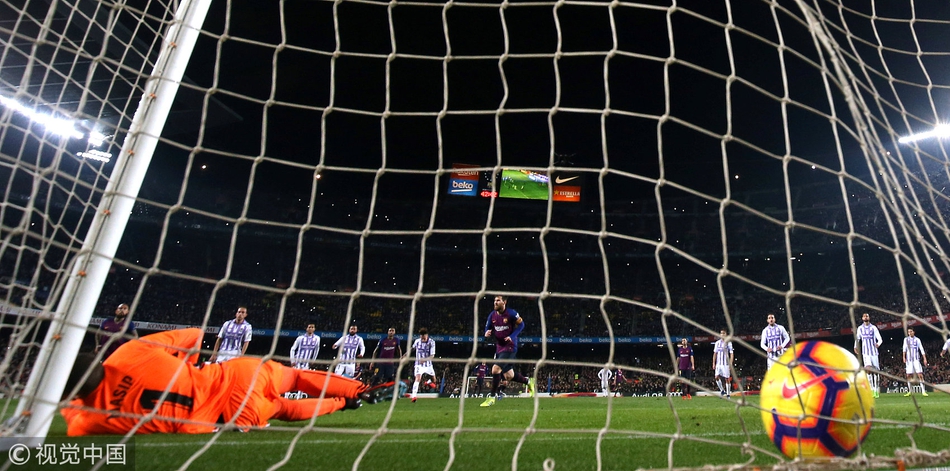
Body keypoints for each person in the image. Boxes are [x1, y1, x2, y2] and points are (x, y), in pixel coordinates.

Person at [60, 328, 396, 436]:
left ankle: (343, 403)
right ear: (97, 359)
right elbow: (194, 334)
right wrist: (189, 367)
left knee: (282, 409)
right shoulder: (131, 351)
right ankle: (360, 389)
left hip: (230, 415)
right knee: (295, 376)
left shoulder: (90, 420)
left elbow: (71, 415)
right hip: (237, 373)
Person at [481, 295, 534, 407]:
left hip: (510, 346)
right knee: (509, 375)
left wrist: (512, 336)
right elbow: (487, 327)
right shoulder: (492, 315)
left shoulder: (511, 313)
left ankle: (491, 398)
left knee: (495, 369)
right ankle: (528, 382)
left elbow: (522, 325)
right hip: (499, 347)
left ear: (504, 302)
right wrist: (486, 332)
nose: (495, 302)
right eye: (494, 300)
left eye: (498, 300)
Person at [853, 312, 883, 398]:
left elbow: (880, 339)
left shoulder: (873, 328)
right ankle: (872, 390)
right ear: (862, 318)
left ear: (869, 318)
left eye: (867, 316)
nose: (865, 317)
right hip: (865, 353)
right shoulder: (860, 328)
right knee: (868, 370)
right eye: (864, 316)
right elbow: (857, 338)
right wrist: (855, 346)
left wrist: (878, 344)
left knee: (876, 372)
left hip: (874, 352)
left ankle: (876, 390)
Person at [409, 328, 437, 402]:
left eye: (424, 337)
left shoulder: (432, 342)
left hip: (428, 365)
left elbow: (432, 356)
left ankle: (428, 382)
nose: (423, 338)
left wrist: (424, 360)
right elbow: (412, 349)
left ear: (427, 335)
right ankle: (414, 396)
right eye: (421, 337)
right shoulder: (417, 341)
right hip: (418, 364)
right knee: (417, 378)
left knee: (434, 381)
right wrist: (405, 355)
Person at [902, 327, 929, 396]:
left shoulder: (917, 340)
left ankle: (923, 391)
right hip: (909, 360)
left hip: (916, 360)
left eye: (911, 331)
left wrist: (924, 358)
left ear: (914, 332)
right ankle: (910, 391)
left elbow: (921, 349)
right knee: (908, 375)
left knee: (920, 374)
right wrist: (904, 357)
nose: (909, 333)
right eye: (908, 332)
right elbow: (904, 349)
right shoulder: (906, 339)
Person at [713, 329, 734, 397]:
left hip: (726, 364)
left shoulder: (729, 343)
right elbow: (715, 353)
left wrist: (730, 363)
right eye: (721, 333)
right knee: (716, 377)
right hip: (718, 364)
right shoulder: (717, 343)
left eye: (723, 333)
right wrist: (713, 363)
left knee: (727, 379)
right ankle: (722, 390)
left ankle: (728, 394)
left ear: (726, 334)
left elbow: (731, 354)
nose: (722, 334)